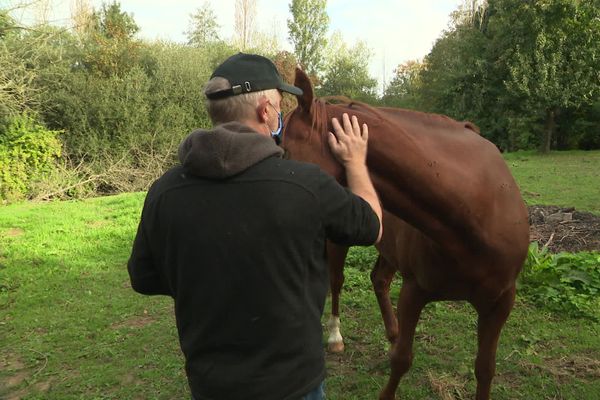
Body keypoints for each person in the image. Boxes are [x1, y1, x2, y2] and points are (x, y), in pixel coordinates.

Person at [127, 52, 383, 400]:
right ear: (266, 111)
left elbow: (143, 277)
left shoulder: (164, 192)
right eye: (279, 106)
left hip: (211, 387)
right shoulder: (305, 185)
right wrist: (355, 162)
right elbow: (371, 226)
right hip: (294, 387)